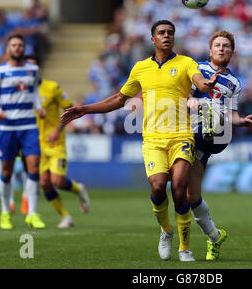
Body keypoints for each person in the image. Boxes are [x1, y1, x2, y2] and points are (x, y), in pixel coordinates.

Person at [61, 20, 218, 262]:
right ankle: (166, 231)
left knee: (178, 190)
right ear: (153, 39)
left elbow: (199, 81)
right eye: (161, 33)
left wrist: (206, 85)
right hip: (153, 140)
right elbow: (118, 98)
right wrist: (85, 109)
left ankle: (184, 248)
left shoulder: (186, 63)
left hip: (181, 137)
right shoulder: (140, 68)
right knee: (157, 188)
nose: (166, 36)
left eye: (170, 33)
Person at [186, 30, 252, 260]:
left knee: (217, 115)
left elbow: (232, 115)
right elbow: (186, 97)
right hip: (191, 133)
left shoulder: (234, 83)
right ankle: (214, 236)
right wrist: (194, 103)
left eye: (226, 46)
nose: (222, 49)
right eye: (218, 45)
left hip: (216, 134)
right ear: (210, 50)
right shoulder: (197, 70)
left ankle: (212, 122)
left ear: (232, 52)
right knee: (191, 195)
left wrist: (243, 121)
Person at [0, 34, 46, 230]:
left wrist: (39, 107)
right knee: (6, 170)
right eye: (14, 45)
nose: (17, 48)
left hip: (28, 125)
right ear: (7, 49)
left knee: (34, 168)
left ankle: (32, 214)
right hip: (8, 126)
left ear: (24, 48)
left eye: (20, 45)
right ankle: (5, 212)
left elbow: (35, 91)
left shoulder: (33, 70)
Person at [25, 55, 90, 228]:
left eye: (34, 66)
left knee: (57, 181)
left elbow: (69, 109)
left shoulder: (52, 87)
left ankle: (78, 189)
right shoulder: (24, 92)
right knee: (45, 184)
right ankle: (66, 217)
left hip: (56, 142)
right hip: (36, 145)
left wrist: (57, 129)